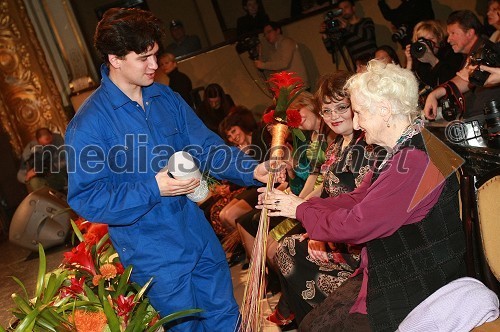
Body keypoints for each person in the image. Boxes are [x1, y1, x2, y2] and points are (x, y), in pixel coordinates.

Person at [65, 8, 283, 331]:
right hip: (154, 255)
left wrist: (253, 171)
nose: (155, 65)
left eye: (155, 54)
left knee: (226, 316)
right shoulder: (89, 125)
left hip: (198, 236)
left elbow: (205, 147)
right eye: (144, 58)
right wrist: (154, 188)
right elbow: (87, 198)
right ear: (114, 58)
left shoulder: (163, 97)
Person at [257, 59, 467, 331]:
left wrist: (301, 210)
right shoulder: (405, 148)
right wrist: (298, 204)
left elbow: (360, 223)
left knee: (316, 326)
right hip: (398, 266)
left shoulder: (415, 159)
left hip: (419, 279)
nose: (355, 122)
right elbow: (359, 197)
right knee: (311, 323)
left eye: (358, 112)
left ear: (385, 110)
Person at [268, 71, 374, 327]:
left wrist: (319, 228)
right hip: (336, 229)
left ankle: (334, 318)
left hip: (359, 242)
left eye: (341, 107)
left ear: (356, 106)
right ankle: (316, 320)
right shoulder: (337, 144)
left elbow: (361, 209)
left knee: (288, 249)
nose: (334, 115)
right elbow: (325, 189)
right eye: (327, 110)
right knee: (286, 248)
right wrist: (294, 203)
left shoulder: (367, 144)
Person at [423, 10, 500, 120]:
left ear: (469, 33)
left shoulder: (487, 51)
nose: (449, 40)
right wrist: (434, 94)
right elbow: (465, 78)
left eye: (453, 33)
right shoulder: (476, 53)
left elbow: (470, 78)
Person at [404, 20, 465, 88]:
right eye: (422, 41)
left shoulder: (452, 52)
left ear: (439, 38)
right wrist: (409, 62)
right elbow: (407, 88)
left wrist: (433, 60)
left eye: (430, 39)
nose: (427, 44)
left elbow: (453, 81)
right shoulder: (418, 62)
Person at [320, 0, 377, 71]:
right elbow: (333, 49)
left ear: (353, 8)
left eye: (346, 7)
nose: (343, 11)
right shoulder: (343, 30)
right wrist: (324, 34)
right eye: (341, 9)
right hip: (359, 68)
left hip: (374, 63)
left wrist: (347, 26)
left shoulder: (366, 21)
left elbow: (368, 35)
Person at [254, 21, 309, 88]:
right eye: (265, 34)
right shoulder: (273, 49)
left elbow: (284, 63)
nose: (267, 36)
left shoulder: (287, 42)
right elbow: (265, 70)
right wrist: (259, 53)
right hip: (288, 87)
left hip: (298, 85)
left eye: (269, 32)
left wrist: (263, 65)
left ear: (277, 31)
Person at [17, 127, 66, 193]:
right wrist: (27, 177)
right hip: (43, 179)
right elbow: (20, 175)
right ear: (38, 141)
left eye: (50, 142)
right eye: (44, 145)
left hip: (59, 172)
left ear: (51, 136)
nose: (48, 146)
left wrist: (53, 165)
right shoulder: (30, 150)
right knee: (35, 182)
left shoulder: (57, 139)